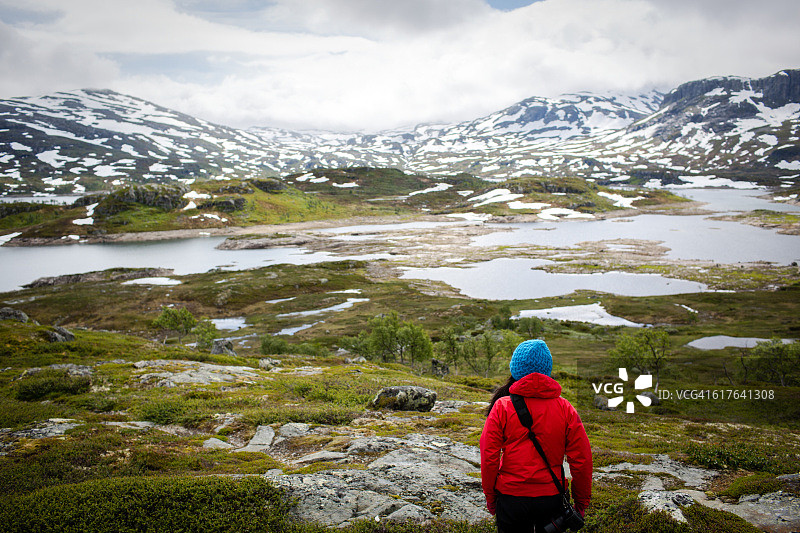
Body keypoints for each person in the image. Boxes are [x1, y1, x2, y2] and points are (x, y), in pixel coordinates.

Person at [480, 339, 592, 533]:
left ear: (516, 369)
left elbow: (489, 456)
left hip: (511, 498)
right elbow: (581, 459)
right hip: (552, 498)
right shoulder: (565, 408)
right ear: (546, 369)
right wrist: (581, 502)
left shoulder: (502, 406)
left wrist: (491, 497)